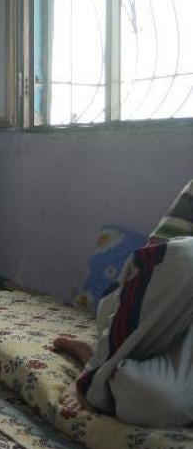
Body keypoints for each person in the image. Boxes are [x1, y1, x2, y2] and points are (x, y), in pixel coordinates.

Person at [52, 180, 193, 428]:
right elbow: (160, 260)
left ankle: (100, 362)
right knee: (186, 256)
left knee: (147, 402)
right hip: (150, 314)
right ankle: (93, 375)